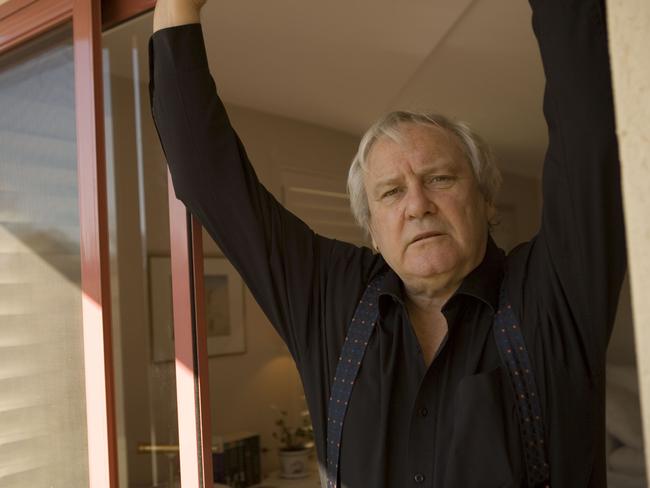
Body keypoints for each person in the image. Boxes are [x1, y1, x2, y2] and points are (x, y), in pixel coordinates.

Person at [148, 0, 626, 486]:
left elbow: (588, 136)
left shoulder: (555, 294)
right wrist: (177, 6)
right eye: (392, 192)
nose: (417, 205)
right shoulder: (331, 299)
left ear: (486, 201)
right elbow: (209, 179)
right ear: (372, 229)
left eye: (440, 178)